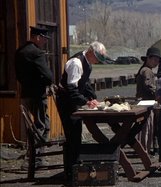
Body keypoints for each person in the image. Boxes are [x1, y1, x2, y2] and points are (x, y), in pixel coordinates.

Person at [55, 41, 109, 180]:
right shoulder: (76, 63)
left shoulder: (88, 63)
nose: (97, 61)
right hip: (66, 101)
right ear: (90, 52)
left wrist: (93, 97)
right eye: (97, 58)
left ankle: (76, 166)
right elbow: (72, 89)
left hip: (73, 99)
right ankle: (70, 170)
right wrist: (86, 101)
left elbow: (84, 84)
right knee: (72, 133)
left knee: (77, 133)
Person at [15, 26, 53, 168]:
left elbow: (18, 75)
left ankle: (34, 157)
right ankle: (36, 159)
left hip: (25, 93)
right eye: (43, 39)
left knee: (32, 128)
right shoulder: (37, 53)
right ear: (37, 37)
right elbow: (48, 76)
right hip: (38, 95)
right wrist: (46, 82)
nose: (44, 42)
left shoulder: (20, 52)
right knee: (42, 126)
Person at [135, 47, 161, 154]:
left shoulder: (144, 69)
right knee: (146, 127)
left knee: (146, 127)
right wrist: (158, 92)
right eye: (155, 60)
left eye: (158, 61)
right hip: (145, 103)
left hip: (144, 102)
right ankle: (143, 150)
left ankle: (143, 148)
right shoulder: (146, 70)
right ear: (148, 59)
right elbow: (148, 85)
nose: (156, 63)